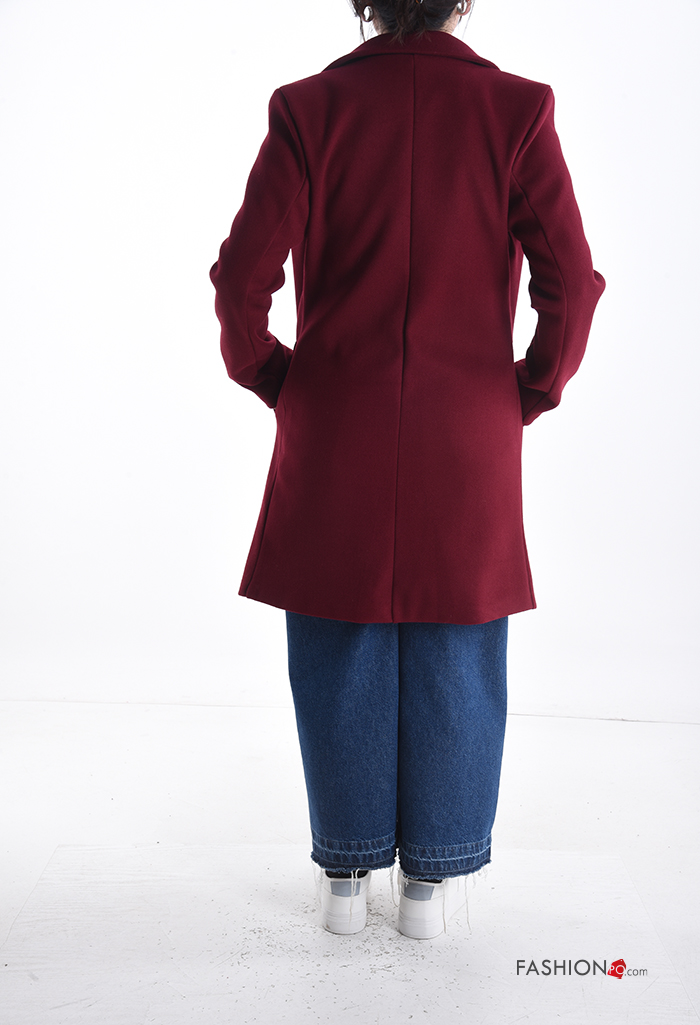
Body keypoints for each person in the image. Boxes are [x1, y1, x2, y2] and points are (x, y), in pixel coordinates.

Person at [209, 0, 605, 939]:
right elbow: (572, 280)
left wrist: (278, 379)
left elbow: (240, 280)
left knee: (339, 632)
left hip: (336, 417)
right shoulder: (517, 110)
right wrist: (527, 392)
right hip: (468, 427)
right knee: (458, 641)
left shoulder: (309, 109)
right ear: (461, 1)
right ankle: (431, 884)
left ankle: (345, 881)